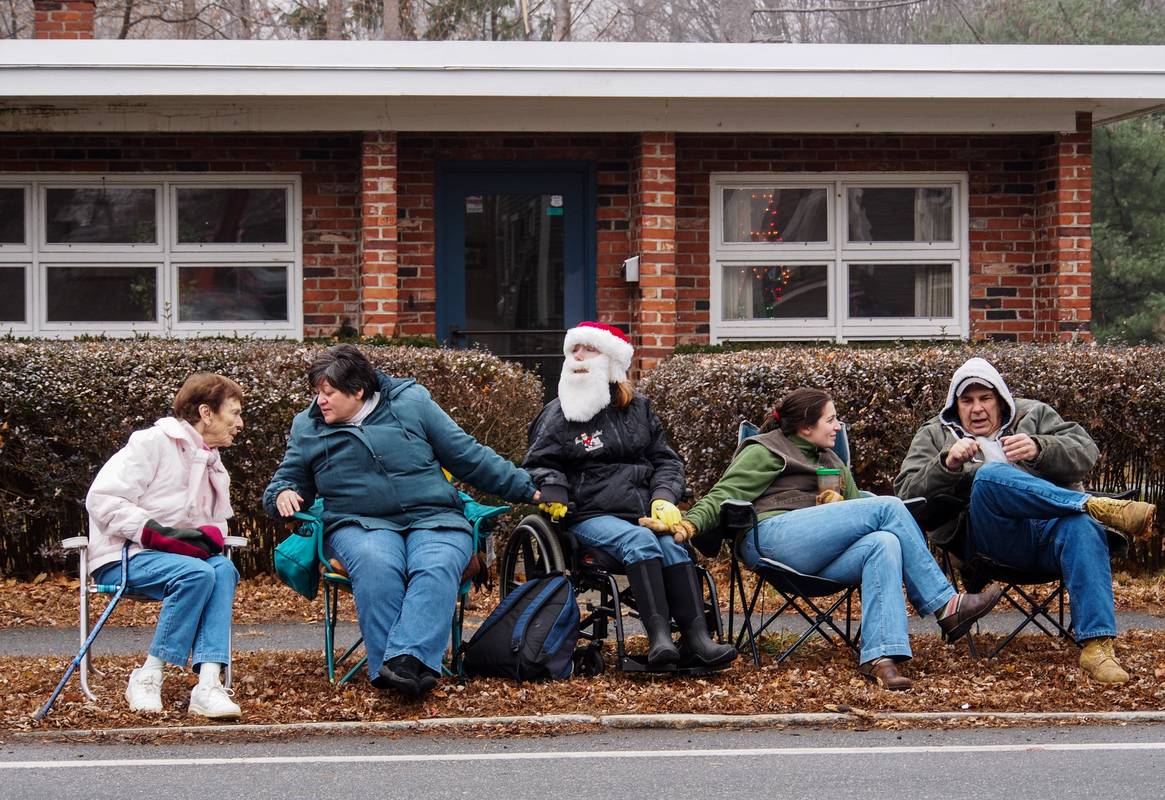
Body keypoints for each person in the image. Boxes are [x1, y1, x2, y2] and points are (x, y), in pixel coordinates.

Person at [669, 387, 1003, 691]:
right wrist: (689, 526)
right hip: (772, 538)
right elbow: (722, 494)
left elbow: (860, 510)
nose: (838, 426)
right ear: (805, 428)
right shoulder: (767, 449)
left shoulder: (832, 461)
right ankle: (946, 605)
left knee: (884, 541)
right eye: (830, 420)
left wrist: (842, 508)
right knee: (887, 506)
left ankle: (881, 657)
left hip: (819, 553)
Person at [263, 344, 540, 699]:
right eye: (317, 393)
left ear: (358, 391)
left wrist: (527, 489)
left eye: (328, 393)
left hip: (434, 517)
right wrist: (283, 493)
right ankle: (399, 667)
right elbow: (287, 480)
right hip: (359, 523)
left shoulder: (411, 403)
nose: (320, 402)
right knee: (378, 565)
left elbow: (468, 456)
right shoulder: (308, 427)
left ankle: (405, 663)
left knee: (436, 563)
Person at [894, 357, 1156, 684]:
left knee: (1082, 527)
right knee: (988, 477)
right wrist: (946, 464)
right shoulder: (936, 434)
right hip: (989, 543)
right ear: (955, 406)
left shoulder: (1035, 415)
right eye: (967, 401)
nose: (977, 409)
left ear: (1001, 400)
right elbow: (905, 495)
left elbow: (1085, 452)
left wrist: (1039, 447)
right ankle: (1091, 505)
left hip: (1050, 538)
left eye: (985, 398)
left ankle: (1098, 647)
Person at [524, 321, 736, 670]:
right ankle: (659, 641)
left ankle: (696, 640)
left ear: (611, 360)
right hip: (589, 514)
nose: (577, 356)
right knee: (641, 540)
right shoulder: (558, 412)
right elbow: (538, 462)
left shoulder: (639, 409)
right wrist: (554, 489)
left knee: (672, 544)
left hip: (639, 511)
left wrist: (665, 496)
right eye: (573, 349)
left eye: (588, 349)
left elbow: (666, 460)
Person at [85, 373, 245, 719]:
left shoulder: (212, 462)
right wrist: (155, 532)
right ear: (206, 412)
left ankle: (208, 684)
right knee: (198, 573)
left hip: (180, 562)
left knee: (222, 569)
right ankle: (148, 674)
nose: (240, 423)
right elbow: (103, 499)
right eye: (234, 412)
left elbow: (214, 524)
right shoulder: (151, 443)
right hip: (124, 556)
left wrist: (209, 537)